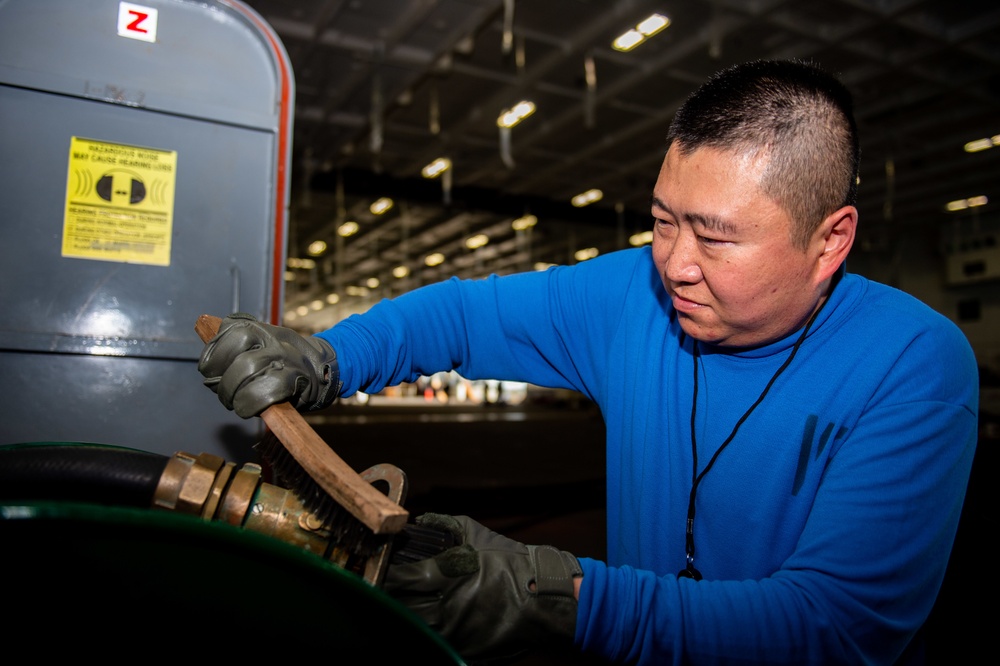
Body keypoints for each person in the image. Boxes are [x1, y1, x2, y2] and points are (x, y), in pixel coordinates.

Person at [198, 59, 979, 665]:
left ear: (830, 240)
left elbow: (837, 628)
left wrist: (560, 598)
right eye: (662, 220)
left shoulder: (912, 363)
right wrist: (333, 356)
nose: (674, 261)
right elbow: (466, 313)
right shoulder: (633, 296)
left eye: (715, 235)